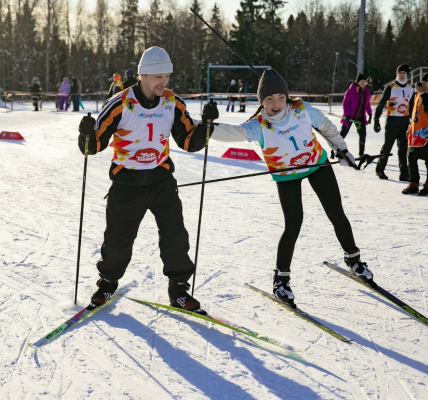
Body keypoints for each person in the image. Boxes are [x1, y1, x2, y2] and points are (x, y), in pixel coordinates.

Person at [208, 68, 374, 305]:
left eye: (281, 97)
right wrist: (205, 126)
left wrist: (341, 149)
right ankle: (281, 279)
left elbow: (325, 126)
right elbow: (232, 133)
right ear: (261, 101)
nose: (276, 104)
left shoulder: (301, 109)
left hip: (317, 164)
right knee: (293, 223)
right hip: (286, 175)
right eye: (269, 99)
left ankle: (354, 259)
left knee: (336, 212)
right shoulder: (258, 125)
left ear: (287, 97)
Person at [77, 46, 218, 313]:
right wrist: (85, 134)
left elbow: (189, 142)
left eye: (167, 76)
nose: (163, 82)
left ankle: (178, 289)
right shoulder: (120, 103)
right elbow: (92, 147)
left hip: (161, 180)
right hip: (126, 183)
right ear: (142, 75)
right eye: (158, 77)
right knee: (117, 241)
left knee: (175, 235)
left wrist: (206, 125)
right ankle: (107, 283)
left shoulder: (172, 102)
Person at [373, 64, 413, 180]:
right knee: (387, 147)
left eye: (404, 73)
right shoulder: (391, 87)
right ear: (396, 74)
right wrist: (376, 119)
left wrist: (413, 121)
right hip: (392, 122)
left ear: (407, 75)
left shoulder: (410, 88)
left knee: (403, 149)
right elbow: (381, 104)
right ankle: (380, 170)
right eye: (400, 73)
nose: (402, 75)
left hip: (405, 123)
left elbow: (412, 107)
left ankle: (404, 173)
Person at [335, 73, 372, 158]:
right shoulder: (351, 91)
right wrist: (347, 115)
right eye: (361, 81)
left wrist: (370, 114)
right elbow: (345, 103)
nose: (363, 83)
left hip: (359, 119)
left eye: (364, 81)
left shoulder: (366, 91)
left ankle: (361, 153)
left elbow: (367, 104)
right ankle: (335, 151)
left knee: (362, 134)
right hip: (350, 117)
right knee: (343, 134)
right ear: (357, 81)